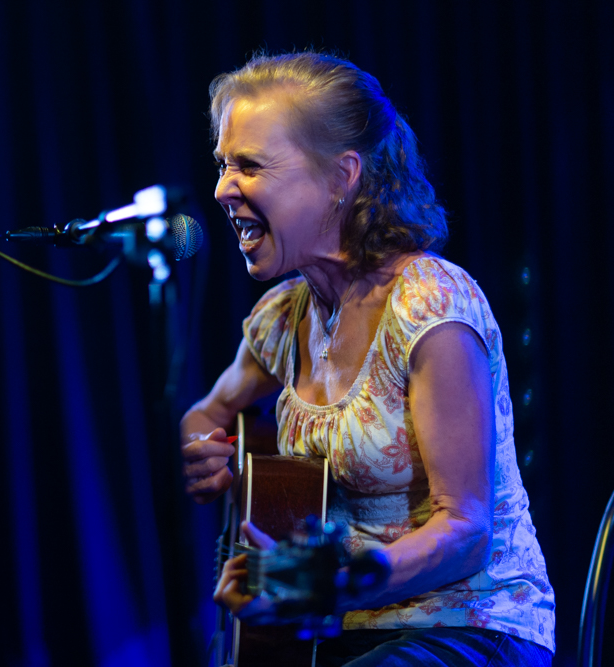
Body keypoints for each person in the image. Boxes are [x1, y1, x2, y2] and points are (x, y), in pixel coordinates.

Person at [179, 52, 555, 666]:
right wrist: (204, 458)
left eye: (249, 165)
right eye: (223, 165)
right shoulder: (282, 318)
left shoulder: (429, 303)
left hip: (471, 627)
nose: (223, 189)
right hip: (333, 636)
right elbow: (205, 415)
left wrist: (328, 584)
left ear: (341, 177)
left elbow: (465, 529)